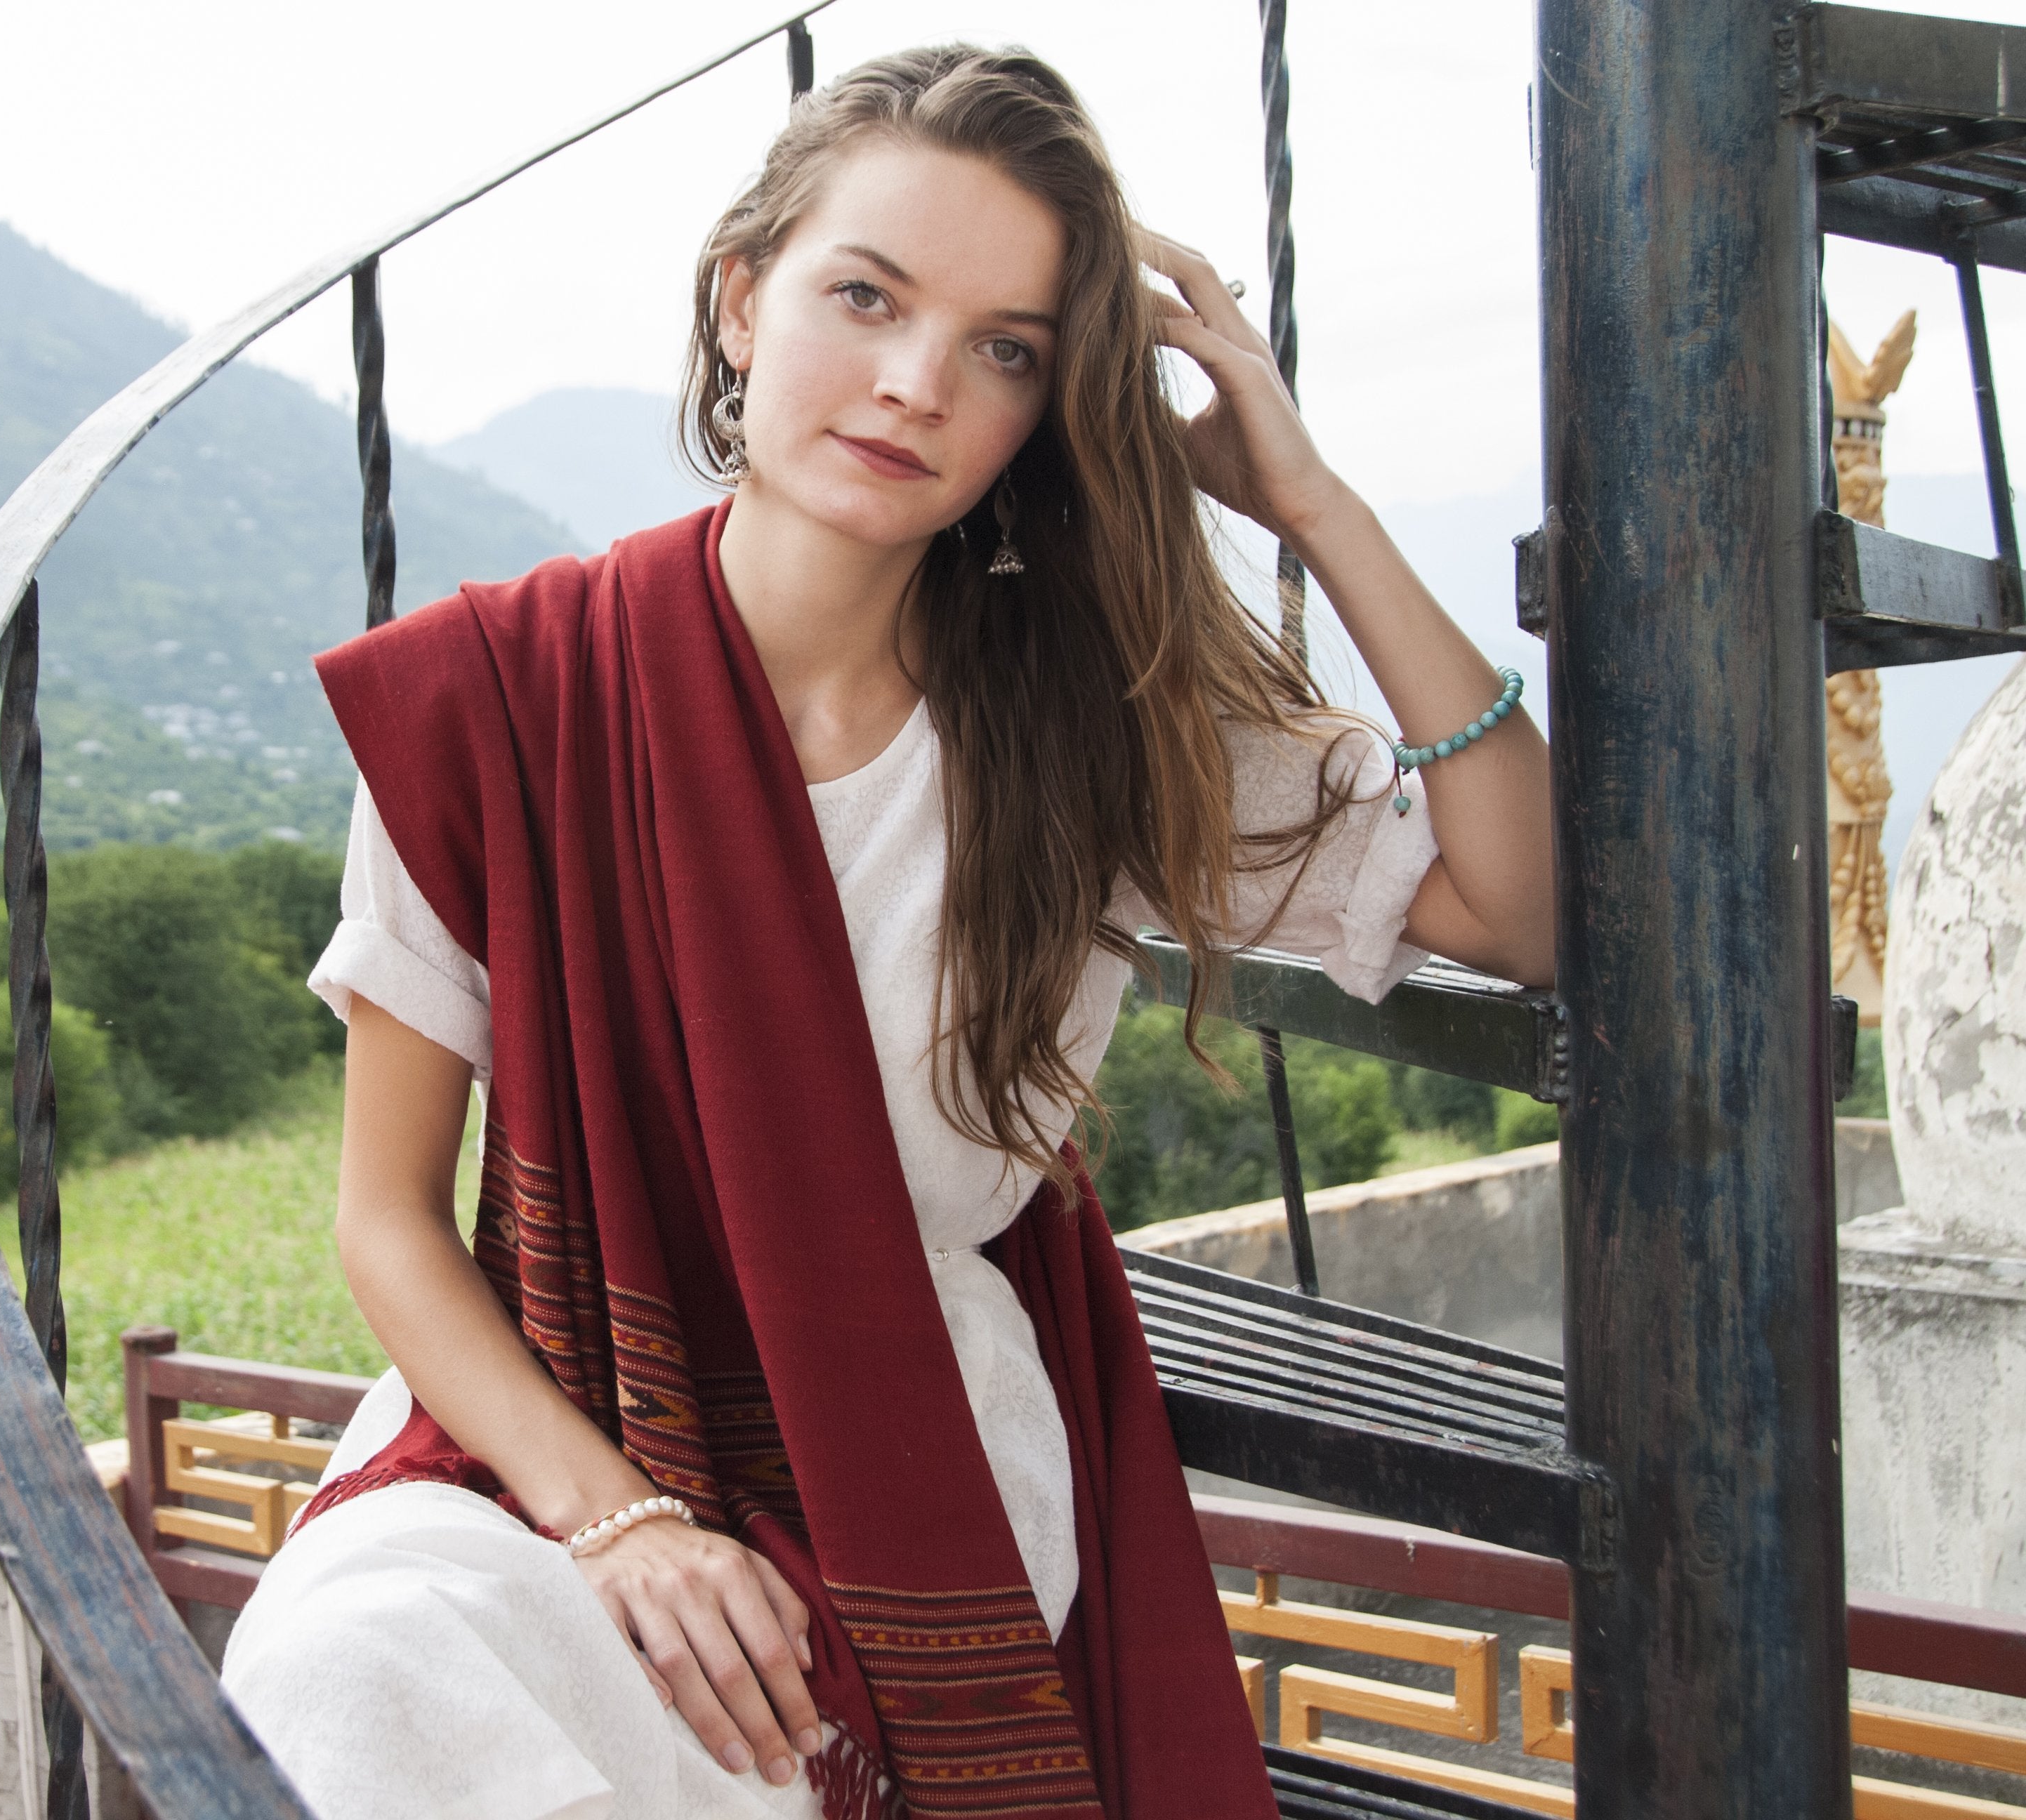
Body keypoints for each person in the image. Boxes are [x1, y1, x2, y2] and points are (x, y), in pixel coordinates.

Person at [219, 44, 1554, 1820]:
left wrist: (1308, 502)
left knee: (735, 1763)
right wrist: (620, 1521)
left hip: (910, 1449)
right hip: (552, 1434)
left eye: (1003, 348)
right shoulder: (509, 703)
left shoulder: (1088, 726)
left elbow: (1526, 909)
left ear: (1042, 406)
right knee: (349, 1663)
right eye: (866, 296)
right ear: (741, 297)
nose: (918, 383)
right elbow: (386, 1218)